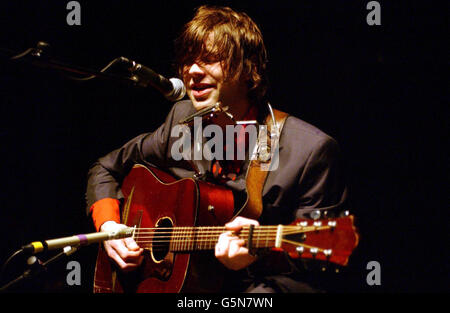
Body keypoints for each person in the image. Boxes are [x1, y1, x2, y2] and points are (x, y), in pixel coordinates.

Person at [86, 5, 348, 293]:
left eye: (210, 60)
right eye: (187, 61)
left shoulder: (310, 150)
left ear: (249, 69)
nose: (193, 71)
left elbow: (330, 250)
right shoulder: (181, 121)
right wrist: (110, 229)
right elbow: (106, 167)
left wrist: (258, 255)